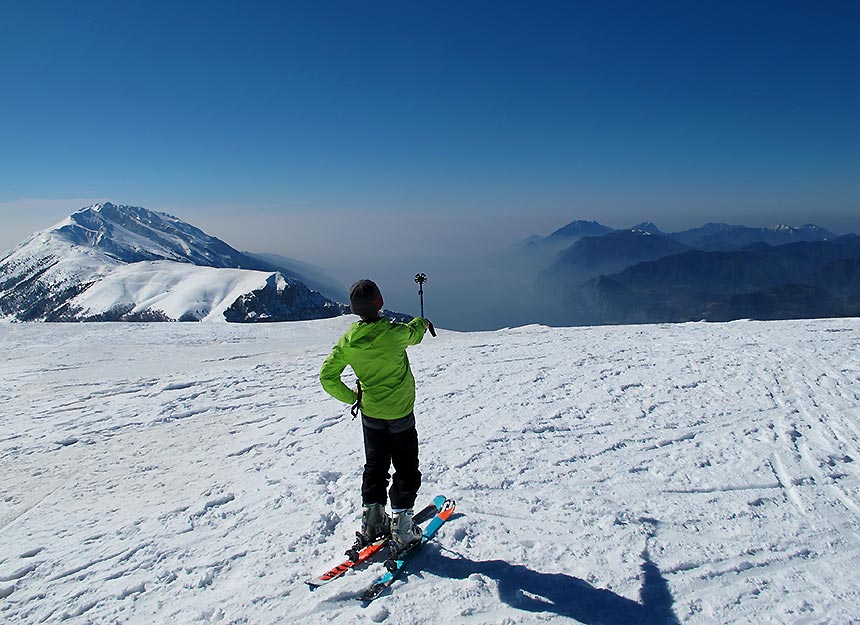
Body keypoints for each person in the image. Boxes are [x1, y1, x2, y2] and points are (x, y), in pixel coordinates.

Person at [319, 279, 431, 554]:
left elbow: (327, 377)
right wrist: (421, 322)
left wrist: (354, 398)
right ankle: (403, 529)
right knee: (405, 468)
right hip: (400, 413)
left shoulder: (348, 342)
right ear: (379, 302)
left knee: (375, 467)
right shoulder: (392, 334)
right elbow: (414, 334)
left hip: (371, 415)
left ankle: (372, 522)